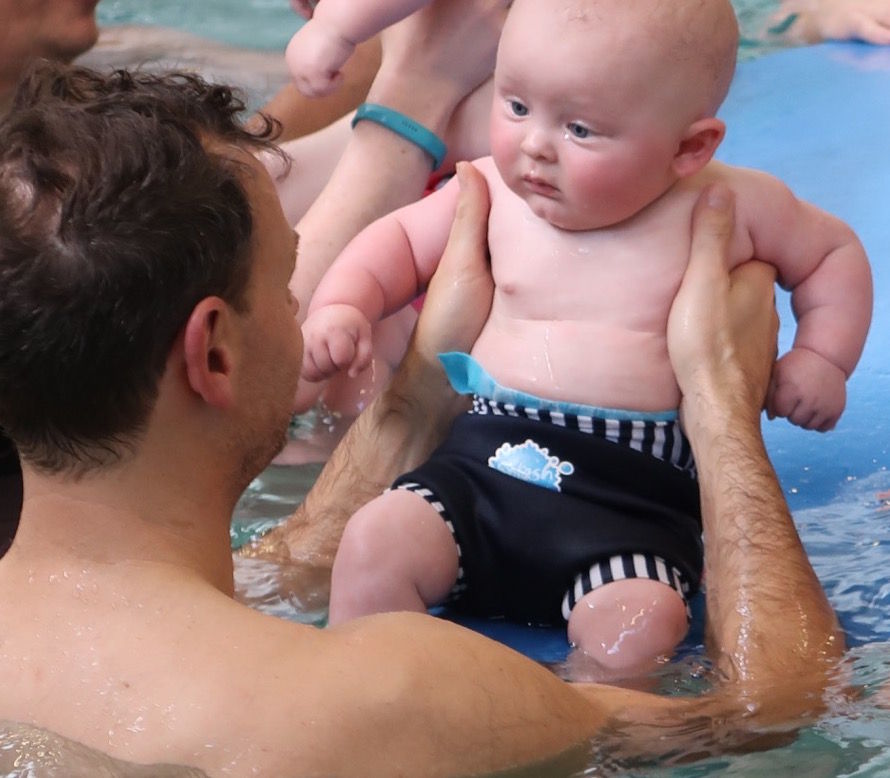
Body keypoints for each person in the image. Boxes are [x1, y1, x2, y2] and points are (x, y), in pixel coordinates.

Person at [0, 60, 844, 776]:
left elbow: (265, 576)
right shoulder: (388, 701)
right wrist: (722, 408)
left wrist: (415, 394)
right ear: (214, 351)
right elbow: (767, 713)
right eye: (286, 286)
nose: (303, 313)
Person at [301, 0, 872, 677]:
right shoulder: (491, 189)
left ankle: (588, 723)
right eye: (515, 105)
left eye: (578, 128)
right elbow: (394, 242)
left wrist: (821, 357)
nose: (535, 144)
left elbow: (832, 253)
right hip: (481, 472)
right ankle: (355, 687)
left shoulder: (731, 205)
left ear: (691, 147)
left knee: (642, 626)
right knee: (373, 541)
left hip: (629, 509)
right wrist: (343, 307)